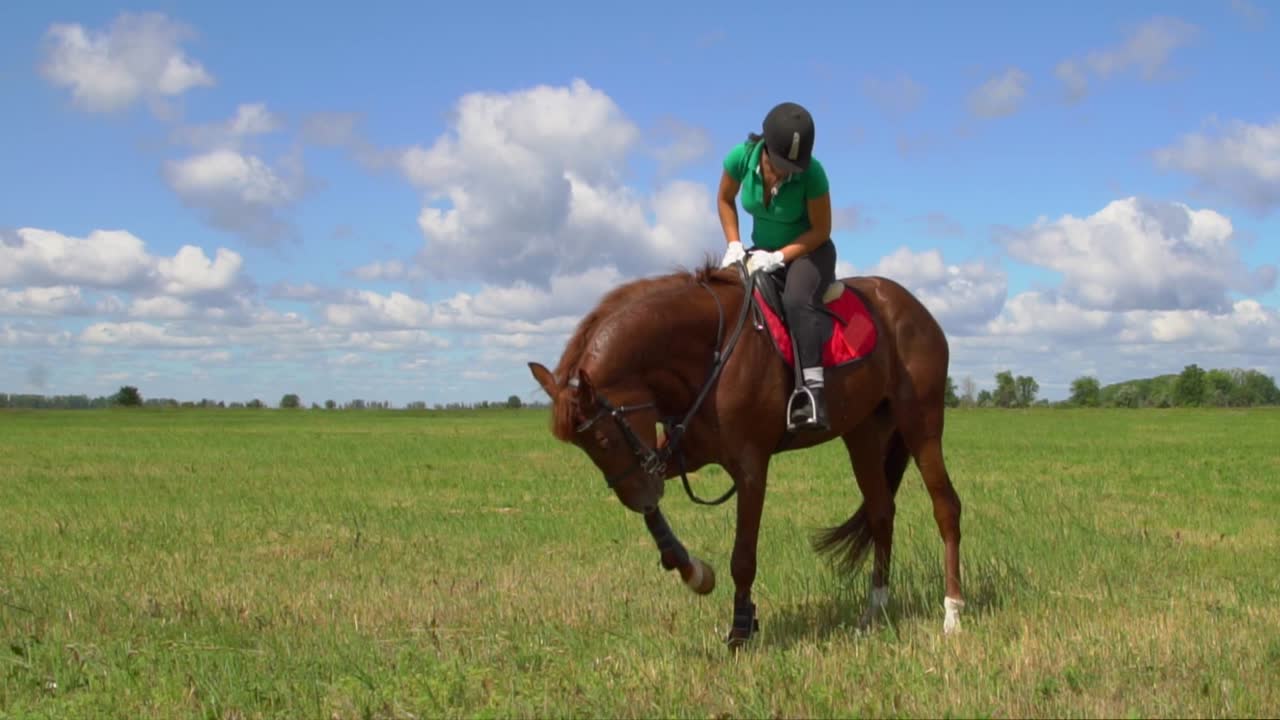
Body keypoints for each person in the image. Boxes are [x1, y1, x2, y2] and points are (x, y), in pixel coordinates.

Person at [717, 101, 835, 432]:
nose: (786, 172)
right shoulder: (740, 158)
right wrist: (734, 244)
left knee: (796, 300)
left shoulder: (813, 174)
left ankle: (812, 392)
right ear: (765, 147)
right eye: (780, 164)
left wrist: (779, 257)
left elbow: (821, 230)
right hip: (759, 250)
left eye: (793, 167)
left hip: (810, 253)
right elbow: (725, 199)